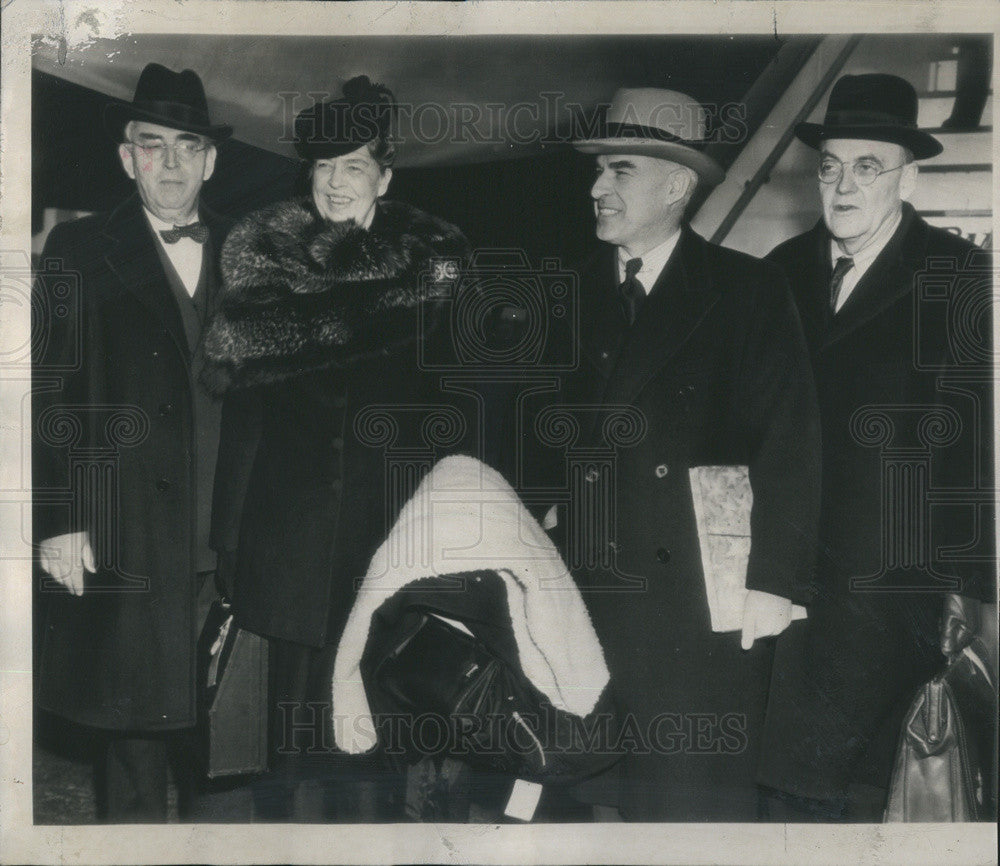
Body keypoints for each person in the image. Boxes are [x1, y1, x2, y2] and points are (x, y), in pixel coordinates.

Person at [535, 87, 822, 821]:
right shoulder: (565, 290)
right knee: (577, 798)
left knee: (685, 811)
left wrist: (772, 584)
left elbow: (788, 442)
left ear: (676, 185)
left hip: (696, 615)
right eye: (597, 170)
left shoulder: (745, 291)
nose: (597, 187)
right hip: (581, 599)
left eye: (619, 170)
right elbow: (532, 435)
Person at [201, 76, 473, 821]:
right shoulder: (267, 262)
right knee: (283, 757)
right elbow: (247, 416)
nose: (334, 183)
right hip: (283, 545)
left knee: (370, 752)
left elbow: (457, 413)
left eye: (351, 165)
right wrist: (229, 541)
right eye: (321, 167)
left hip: (384, 546)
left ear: (385, 176)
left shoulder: (435, 274)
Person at [757, 73, 995, 821]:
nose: (843, 185)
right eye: (830, 166)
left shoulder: (958, 278)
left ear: (909, 175)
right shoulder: (778, 275)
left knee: (866, 796)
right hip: (779, 580)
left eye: (868, 166)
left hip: (890, 591)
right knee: (778, 792)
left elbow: (975, 445)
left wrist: (967, 591)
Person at [32, 63, 233, 820]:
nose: (172, 164)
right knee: (133, 743)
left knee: (227, 746)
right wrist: (56, 517)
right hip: (128, 537)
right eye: (155, 146)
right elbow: (43, 390)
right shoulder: (77, 249)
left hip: (228, 539)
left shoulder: (251, 253)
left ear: (211, 160)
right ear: (128, 157)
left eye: (189, 147)